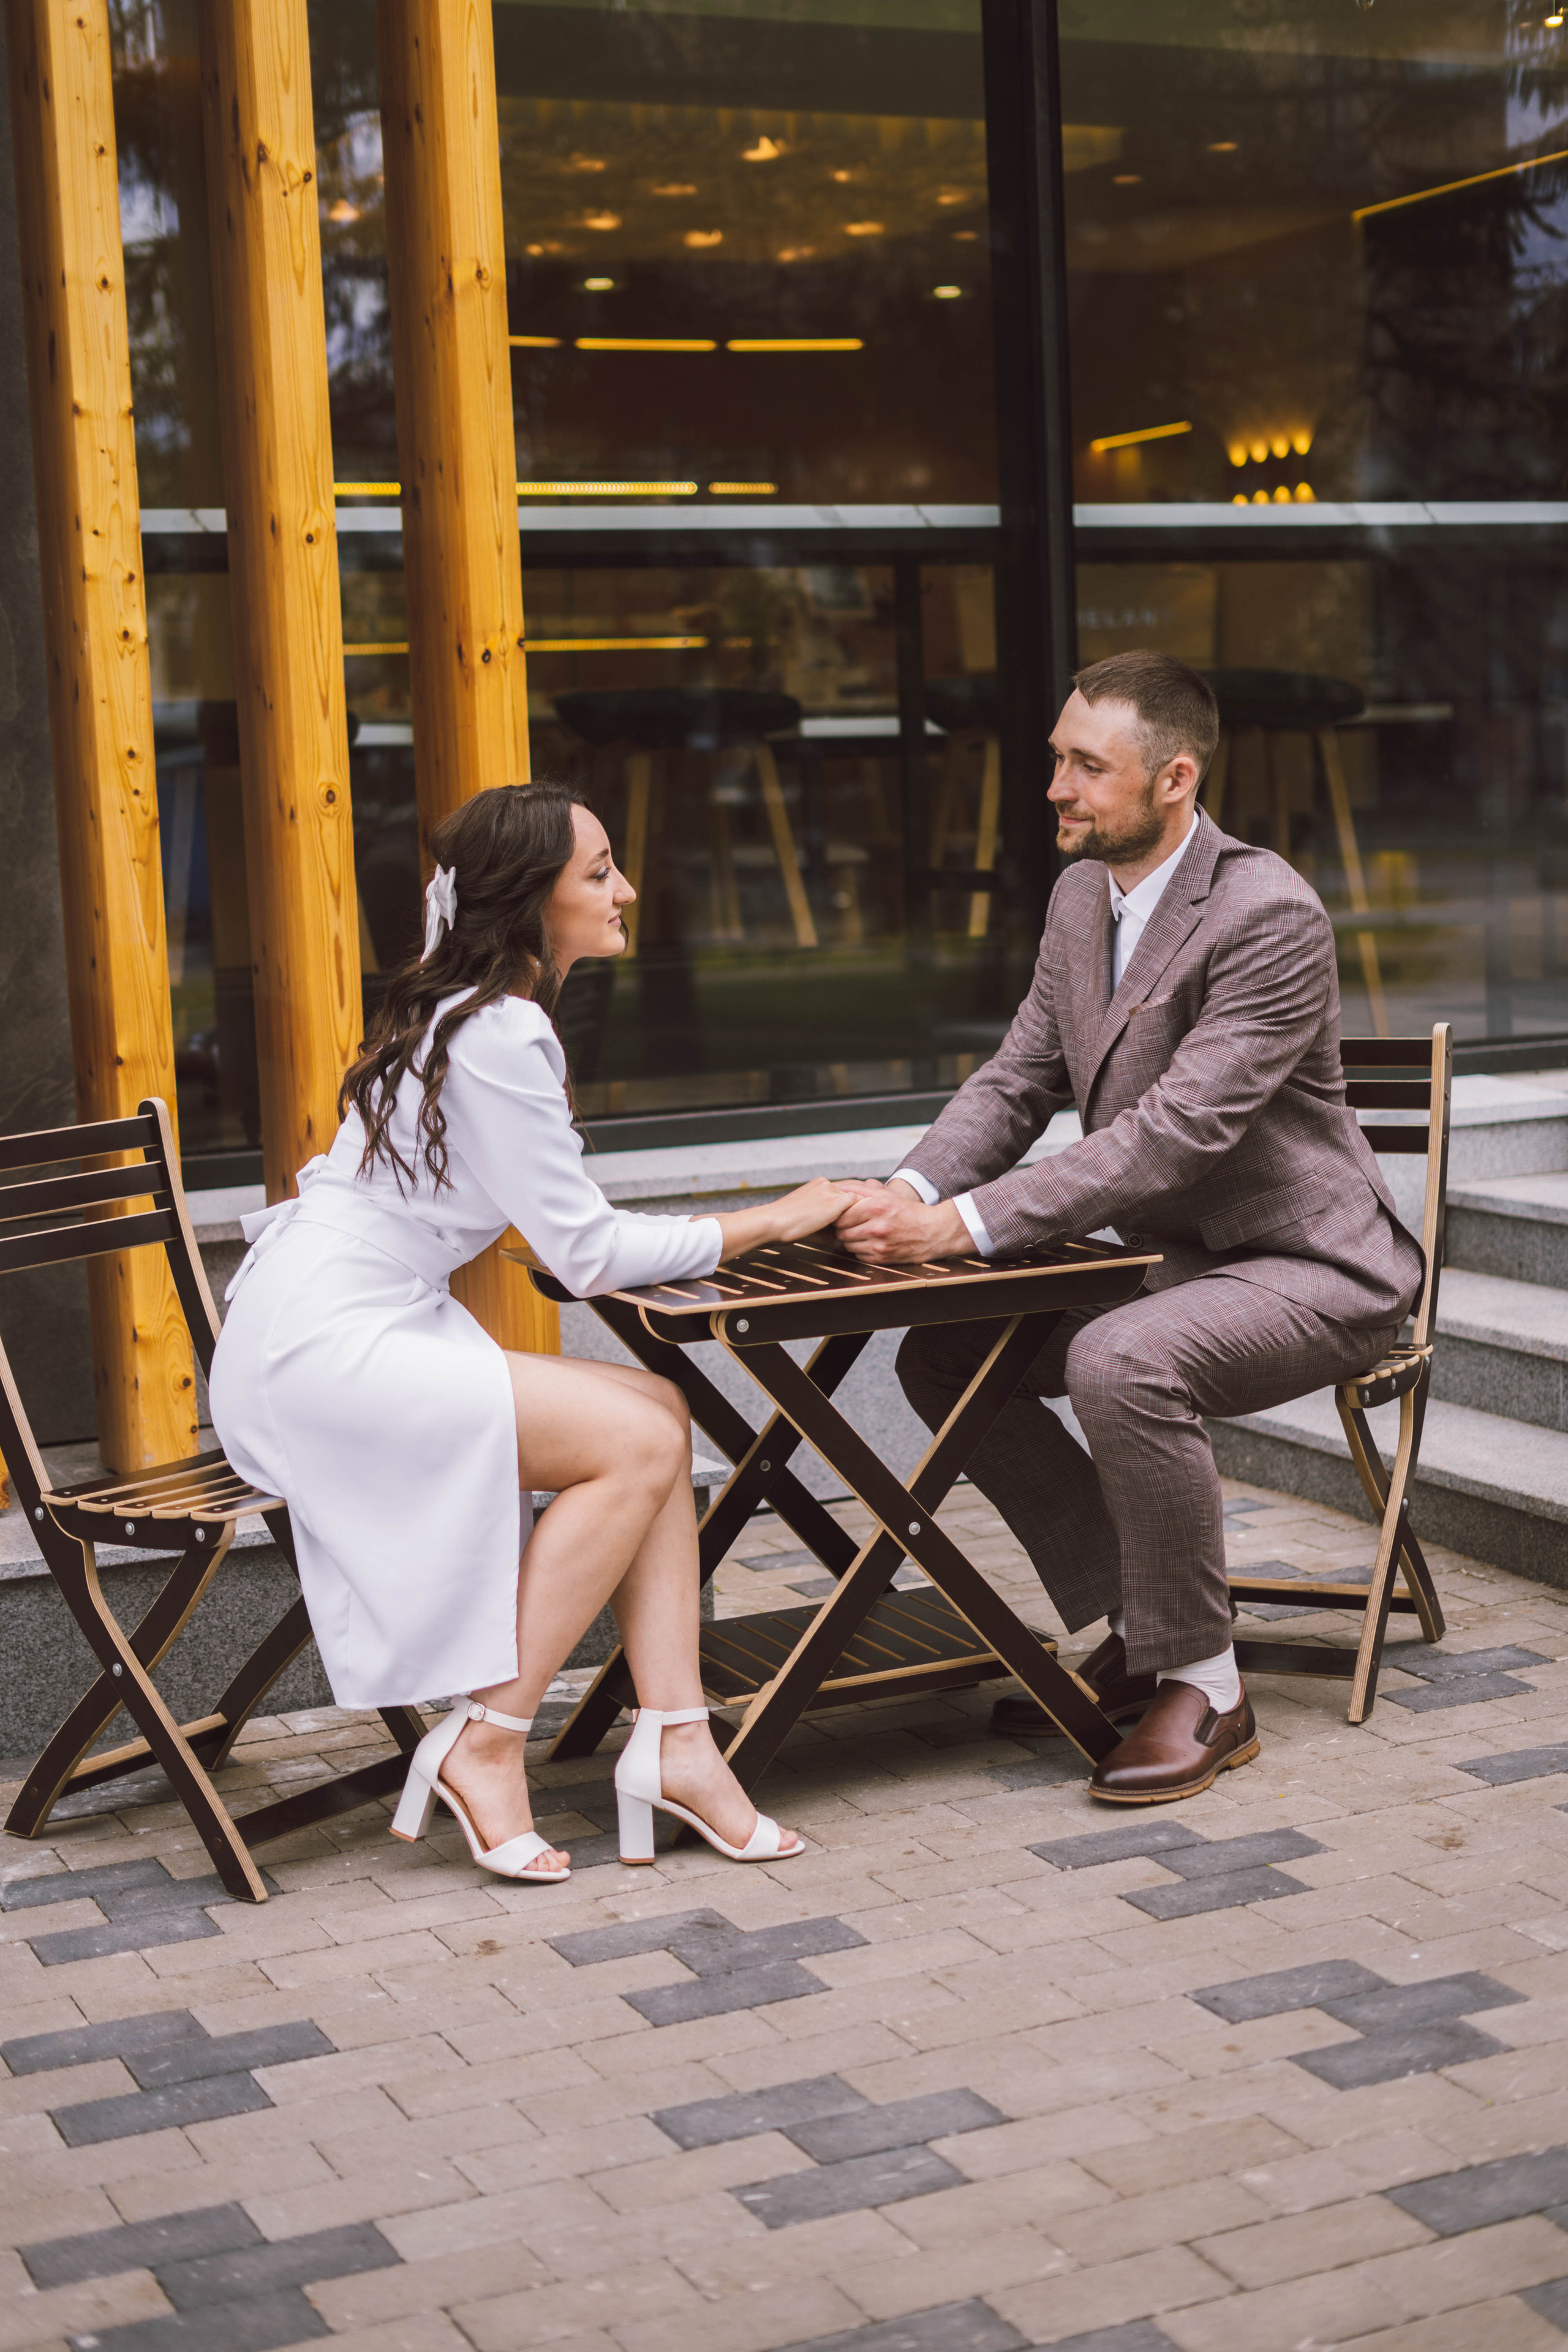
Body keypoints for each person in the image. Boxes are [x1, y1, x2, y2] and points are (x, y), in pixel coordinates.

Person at [210, 782, 853, 1880]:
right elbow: (586, 1255)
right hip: (327, 1351)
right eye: (598, 872)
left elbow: (544, 1222)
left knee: (656, 1409)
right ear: (526, 901)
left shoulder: (458, 1008)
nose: (627, 889)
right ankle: (490, 1741)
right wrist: (781, 1216)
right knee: (642, 1441)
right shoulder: (501, 1030)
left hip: (325, 1320)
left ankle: (681, 1742)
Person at [833, 650, 1422, 1804]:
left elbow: (1172, 1135)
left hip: (1313, 1269)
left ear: (1174, 779)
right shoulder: (1077, 898)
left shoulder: (1268, 914)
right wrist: (908, 1194)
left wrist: (969, 1227)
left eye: (1084, 766)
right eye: (1056, 757)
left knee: (1120, 1358)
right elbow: (1017, 1080)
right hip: (1177, 1266)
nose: (1052, 785)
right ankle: (1144, 1626)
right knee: (949, 1351)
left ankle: (1209, 1687)